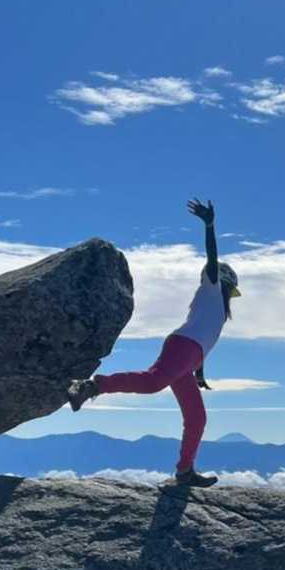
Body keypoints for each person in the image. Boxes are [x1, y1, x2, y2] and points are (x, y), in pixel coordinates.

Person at [67, 199, 241, 487]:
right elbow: (212, 259)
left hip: (189, 357)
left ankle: (185, 472)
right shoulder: (211, 287)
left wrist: (199, 373)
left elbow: (203, 337)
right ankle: (90, 386)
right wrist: (210, 226)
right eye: (230, 287)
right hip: (182, 348)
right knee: (152, 382)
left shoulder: (217, 310)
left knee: (196, 418)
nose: (230, 293)